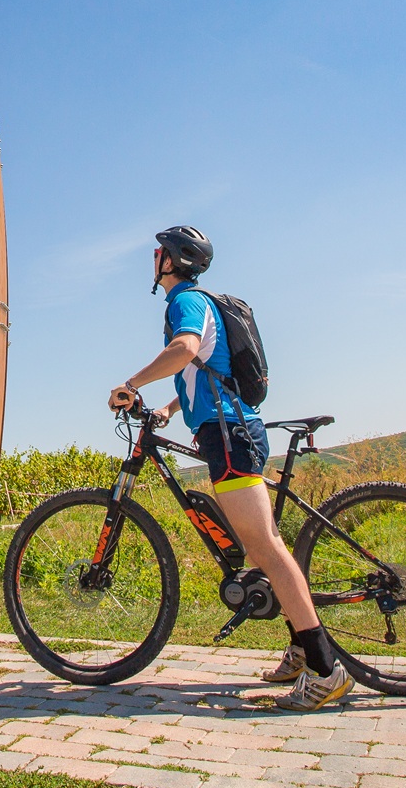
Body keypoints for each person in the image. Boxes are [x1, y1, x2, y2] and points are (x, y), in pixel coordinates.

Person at [107, 226, 354, 711]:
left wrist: (130, 383)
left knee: (264, 545)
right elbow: (199, 371)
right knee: (258, 547)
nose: (153, 258)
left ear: (172, 260)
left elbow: (183, 349)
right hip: (229, 429)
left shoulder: (185, 301)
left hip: (230, 434)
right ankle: (302, 650)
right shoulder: (198, 302)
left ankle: (327, 670)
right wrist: (168, 410)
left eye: (158, 252)